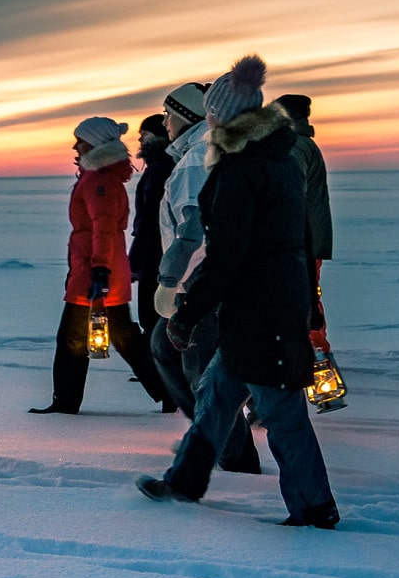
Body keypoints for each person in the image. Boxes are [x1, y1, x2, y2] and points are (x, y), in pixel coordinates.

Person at [138, 57, 341, 528]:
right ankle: (184, 480)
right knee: (214, 394)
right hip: (266, 309)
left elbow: (227, 256)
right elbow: (301, 239)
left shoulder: (240, 171)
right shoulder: (280, 161)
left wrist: (188, 311)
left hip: (260, 313)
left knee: (281, 414)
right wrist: (307, 305)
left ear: (221, 117)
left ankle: (315, 508)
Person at [149, 81, 260, 472]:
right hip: (218, 282)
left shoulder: (198, 159)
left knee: (200, 372)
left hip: (203, 285)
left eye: (168, 115)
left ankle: (230, 453)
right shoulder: (210, 152)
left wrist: (172, 283)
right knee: (168, 350)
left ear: (187, 117)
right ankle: (212, 437)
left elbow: (194, 231)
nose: (164, 124)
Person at [31, 117, 168, 414]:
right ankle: (169, 392)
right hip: (102, 267)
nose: (74, 146)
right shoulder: (100, 177)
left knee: (72, 337)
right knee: (124, 336)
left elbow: (103, 226)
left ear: (93, 143)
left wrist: (99, 270)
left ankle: (65, 402)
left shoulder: (99, 180)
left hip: (94, 270)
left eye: (79, 140)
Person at [274, 93, 334, 345]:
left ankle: (315, 357)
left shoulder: (295, 146)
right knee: (306, 298)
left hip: (301, 240)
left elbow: (290, 193)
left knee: (303, 300)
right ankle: (313, 353)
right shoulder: (301, 143)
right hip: (306, 238)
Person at [128, 113, 175, 346]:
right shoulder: (159, 165)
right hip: (157, 248)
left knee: (151, 310)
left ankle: (156, 367)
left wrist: (135, 260)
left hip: (154, 250)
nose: (140, 141)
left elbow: (149, 218)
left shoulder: (160, 168)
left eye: (144, 135)